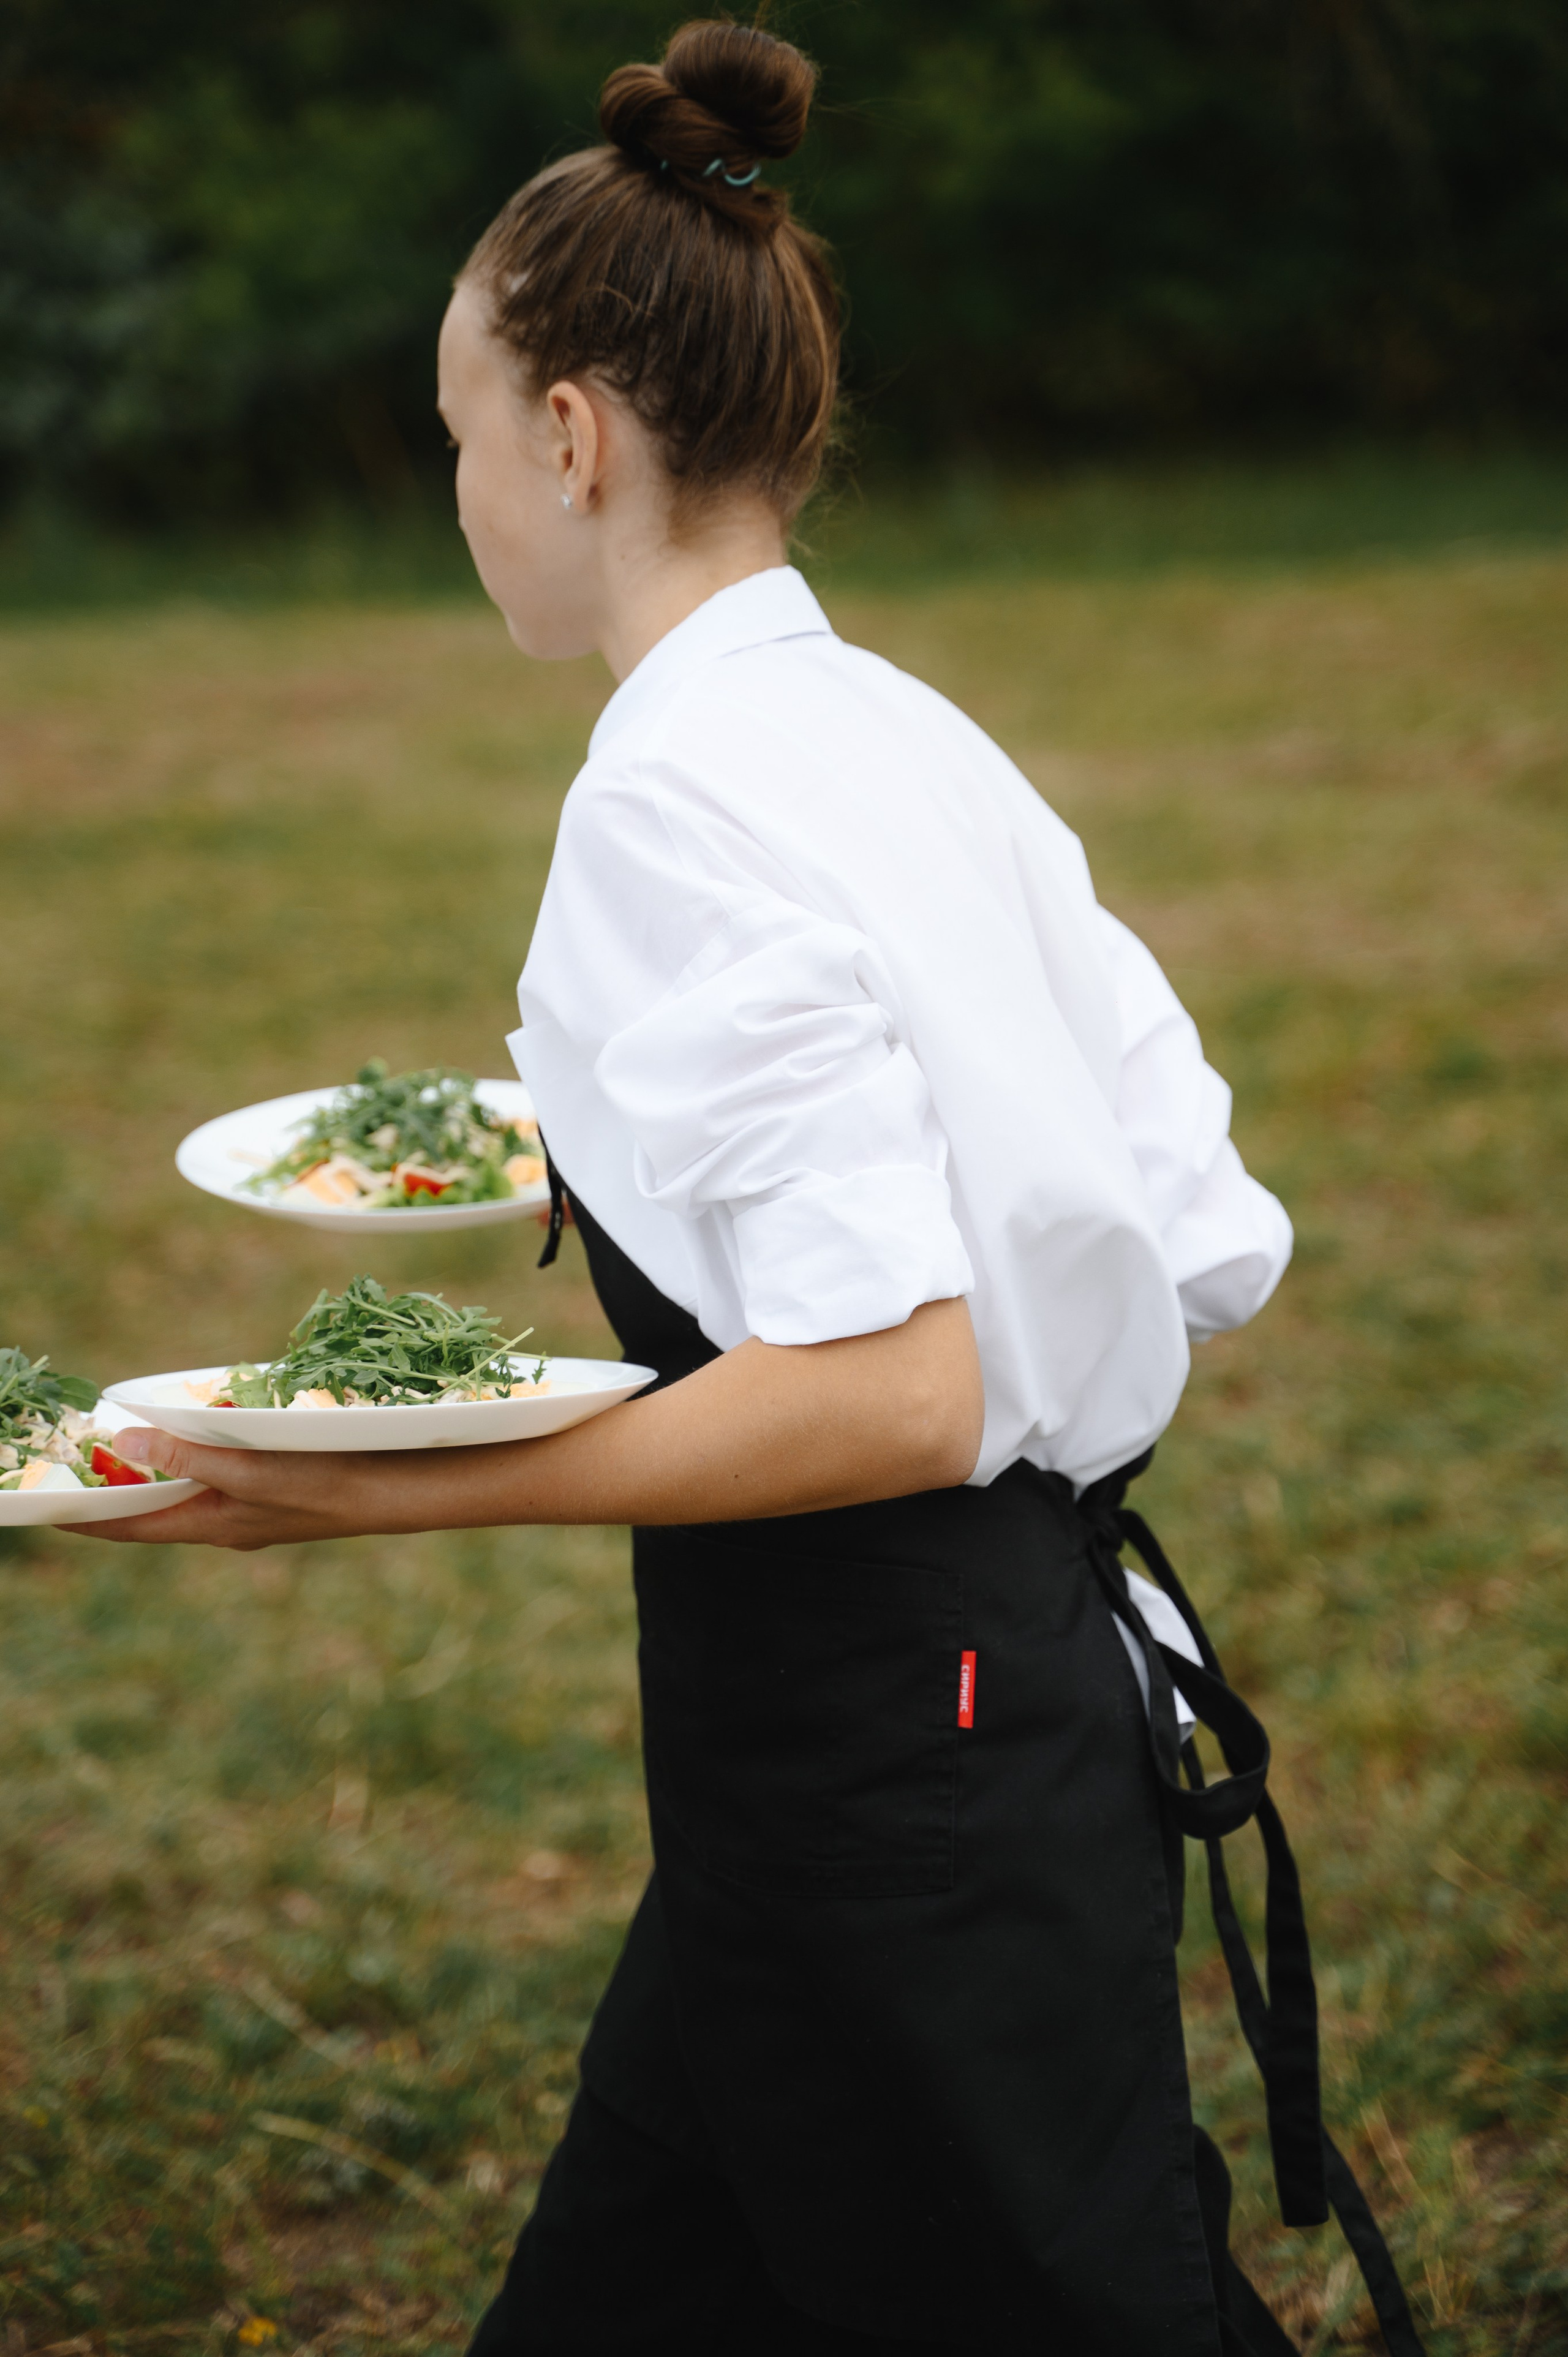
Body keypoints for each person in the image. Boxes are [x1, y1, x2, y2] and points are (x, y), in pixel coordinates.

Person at [86, 21, 1425, 2356]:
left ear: (573, 439)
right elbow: (1185, 1210)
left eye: (460, 443)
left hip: (897, 1766)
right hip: (967, 1714)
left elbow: (900, 1390)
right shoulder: (907, 733)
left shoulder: (667, 801)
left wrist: (369, 1485)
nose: (466, 497)